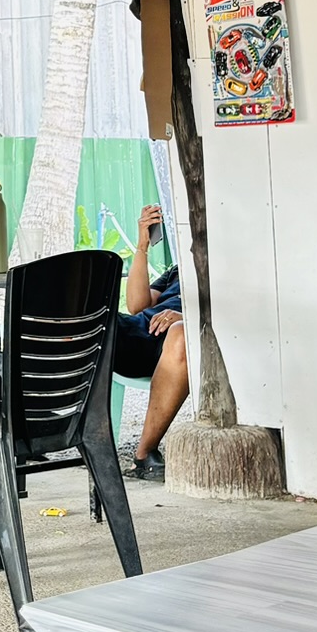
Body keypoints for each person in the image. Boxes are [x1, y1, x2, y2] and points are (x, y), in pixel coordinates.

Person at [116, 202, 188, 481]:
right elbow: (138, 305)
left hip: (171, 342)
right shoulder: (179, 269)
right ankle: (27, 432)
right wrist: (142, 246)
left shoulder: (235, 270)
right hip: (139, 330)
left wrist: (186, 316)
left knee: (180, 333)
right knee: (85, 319)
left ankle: (144, 455)